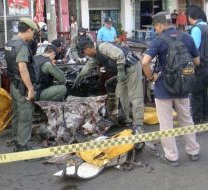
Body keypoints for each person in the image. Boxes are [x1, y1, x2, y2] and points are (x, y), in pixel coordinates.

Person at [142, 11, 200, 166]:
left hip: (163, 88)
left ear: (160, 25)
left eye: (155, 26)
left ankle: (172, 157)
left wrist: (150, 78)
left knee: (166, 123)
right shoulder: (187, 37)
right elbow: (197, 61)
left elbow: (144, 62)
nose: (155, 30)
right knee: (186, 119)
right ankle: (193, 151)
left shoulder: (158, 40)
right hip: (183, 86)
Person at [75, 41, 144, 134]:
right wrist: (80, 76)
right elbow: (88, 66)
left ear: (87, 49)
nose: (85, 55)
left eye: (84, 53)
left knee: (135, 95)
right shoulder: (95, 55)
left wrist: (120, 71)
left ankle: (138, 124)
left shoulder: (103, 47)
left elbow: (119, 55)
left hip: (132, 67)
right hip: (122, 71)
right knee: (120, 95)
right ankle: (125, 119)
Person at [4, 17, 38, 152]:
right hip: (22, 86)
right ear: (28, 30)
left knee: (17, 114)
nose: (33, 35)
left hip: (13, 84)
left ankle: (17, 140)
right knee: (25, 116)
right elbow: (23, 69)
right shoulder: (22, 46)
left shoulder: (10, 43)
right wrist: (30, 89)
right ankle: (22, 146)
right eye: (33, 32)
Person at [186, 5, 208, 124]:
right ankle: (205, 116)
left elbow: (193, 49)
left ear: (190, 17)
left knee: (196, 93)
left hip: (200, 65)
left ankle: (197, 119)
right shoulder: (206, 26)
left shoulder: (196, 29)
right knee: (204, 92)